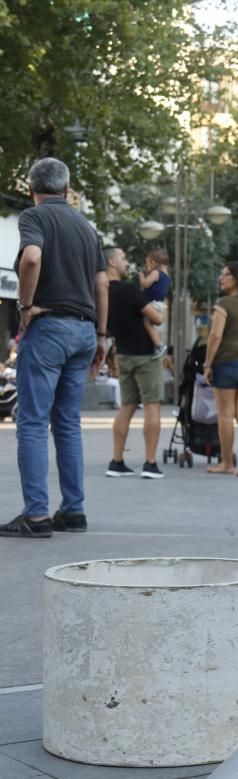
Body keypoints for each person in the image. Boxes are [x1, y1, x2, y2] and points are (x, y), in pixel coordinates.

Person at [3, 158, 108, 539]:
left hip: (49, 328)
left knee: (31, 421)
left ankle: (36, 516)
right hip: (84, 332)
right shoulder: (86, 227)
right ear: (67, 190)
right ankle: (73, 510)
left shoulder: (35, 217)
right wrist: (101, 334)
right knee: (67, 423)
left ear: (33, 189)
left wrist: (26, 305)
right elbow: (103, 284)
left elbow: (31, 258)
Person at [101, 247, 165, 479]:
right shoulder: (129, 290)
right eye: (123, 259)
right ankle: (150, 463)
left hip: (123, 354)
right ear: (112, 263)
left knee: (126, 407)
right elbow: (156, 318)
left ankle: (117, 461)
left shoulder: (102, 291)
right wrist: (159, 312)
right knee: (152, 406)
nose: (127, 263)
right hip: (145, 355)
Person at [202, 262, 238, 477]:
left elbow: (215, 336)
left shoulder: (224, 303)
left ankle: (226, 463)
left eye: (225, 274)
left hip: (228, 362)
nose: (221, 278)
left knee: (225, 414)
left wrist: (208, 364)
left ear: (236, 278)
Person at [137, 248, 171, 359]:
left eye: (147, 264)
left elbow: (146, 285)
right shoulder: (167, 277)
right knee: (149, 324)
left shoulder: (156, 273)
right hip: (160, 305)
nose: (147, 268)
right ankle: (156, 344)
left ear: (153, 263)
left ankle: (159, 345)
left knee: (146, 322)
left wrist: (142, 278)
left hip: (153, 304)